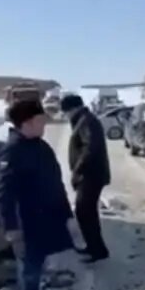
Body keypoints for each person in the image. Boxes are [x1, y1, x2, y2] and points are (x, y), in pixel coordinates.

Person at [0, 98, 84, 290]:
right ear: (27, 122)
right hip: (26, 225)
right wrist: (11, 229)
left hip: (43, 221)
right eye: (40, 119)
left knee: (36, 269)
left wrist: (66, 214)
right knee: (29, 273)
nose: (44, 123)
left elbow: (55, 184)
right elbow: (4, 194)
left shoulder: (38, 145)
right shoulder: (13, 151)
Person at [59, 93, 111, 263]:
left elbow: (91, 147)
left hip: (91, 175)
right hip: (89, 175)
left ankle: (97, 250)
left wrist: (78, 170)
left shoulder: (86, 121)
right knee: (87, 212)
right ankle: (95, 247)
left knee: (84, 211)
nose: (65, 115)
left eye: (65, 111)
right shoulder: (84, 120)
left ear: (72, 109)